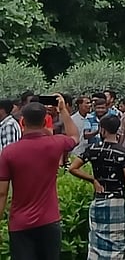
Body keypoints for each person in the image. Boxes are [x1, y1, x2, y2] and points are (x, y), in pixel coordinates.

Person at [0, 97, 81, 259]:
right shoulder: (55, 144)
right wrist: (63, 110)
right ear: (45, 121)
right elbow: (74, 136)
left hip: (20, 223)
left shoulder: (9, 152)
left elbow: (1, 193)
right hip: (49, 220)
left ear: (22, 121)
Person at [69, 113, 125, 260]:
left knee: (96, 242)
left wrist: (93, 180)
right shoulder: (122, 152)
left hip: (98, 199)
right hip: (117, 201)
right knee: (116, 242)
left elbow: (73, 168)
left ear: (102, 129)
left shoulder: (93, 149)